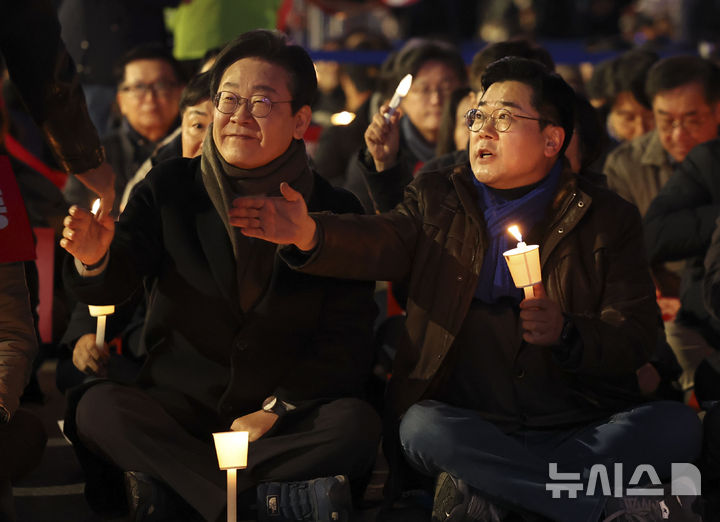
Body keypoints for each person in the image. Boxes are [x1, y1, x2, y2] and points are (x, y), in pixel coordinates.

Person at [229, 57, 702, 522]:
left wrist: (568, 333)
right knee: (423, 427)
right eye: (478, 116)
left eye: (504, 118)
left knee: (677, 427)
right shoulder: (438, 198)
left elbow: (637, 332)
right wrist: (310, 232)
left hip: (577, 424)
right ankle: (590, 505)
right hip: (472, 423)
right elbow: (380, 239)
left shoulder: (605, 217)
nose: (482, 130)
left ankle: (495, 494)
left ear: (552, 140)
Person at [59, 30, 379, 522]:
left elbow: (349, 338)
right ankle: (258, 504)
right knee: (96, 408)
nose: (238, 116)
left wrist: (276, 409)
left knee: (354, 424)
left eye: (261, 102)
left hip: (279, 421)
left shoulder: (335, 210)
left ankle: (176, 491)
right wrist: (95, 258)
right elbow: (113, 285)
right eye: (228, 99)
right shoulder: (169, 186)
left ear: (299, 120)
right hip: (180, 411)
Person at [345, 38, 467, 213]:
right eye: (423, 89)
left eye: (446, 87)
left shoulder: (478, 147)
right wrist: (385, 165)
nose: (436, 99)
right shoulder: (377, 155)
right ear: (402, 99)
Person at [64, 44, 186, 216]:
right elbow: (72, 211)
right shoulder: (96, 157)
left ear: (181, 92)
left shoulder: (197, 147)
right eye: (139, 88)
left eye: (161, 85)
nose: (150, 97)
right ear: (121, 101)